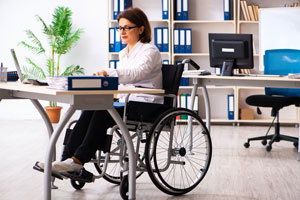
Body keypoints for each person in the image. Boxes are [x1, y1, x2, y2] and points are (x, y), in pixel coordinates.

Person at [37, 7, 162, 173]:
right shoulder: (124, 53)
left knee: (104, 112)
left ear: (141, 29)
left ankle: (77, 161)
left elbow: (136, 74)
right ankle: (64, 161)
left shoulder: (150, 51)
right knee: (91, 107)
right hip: (128, 101)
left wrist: (109, 72)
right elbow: (124, 80)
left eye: (127, 27)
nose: (122, 31)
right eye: (120, 28)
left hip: (146, 104)